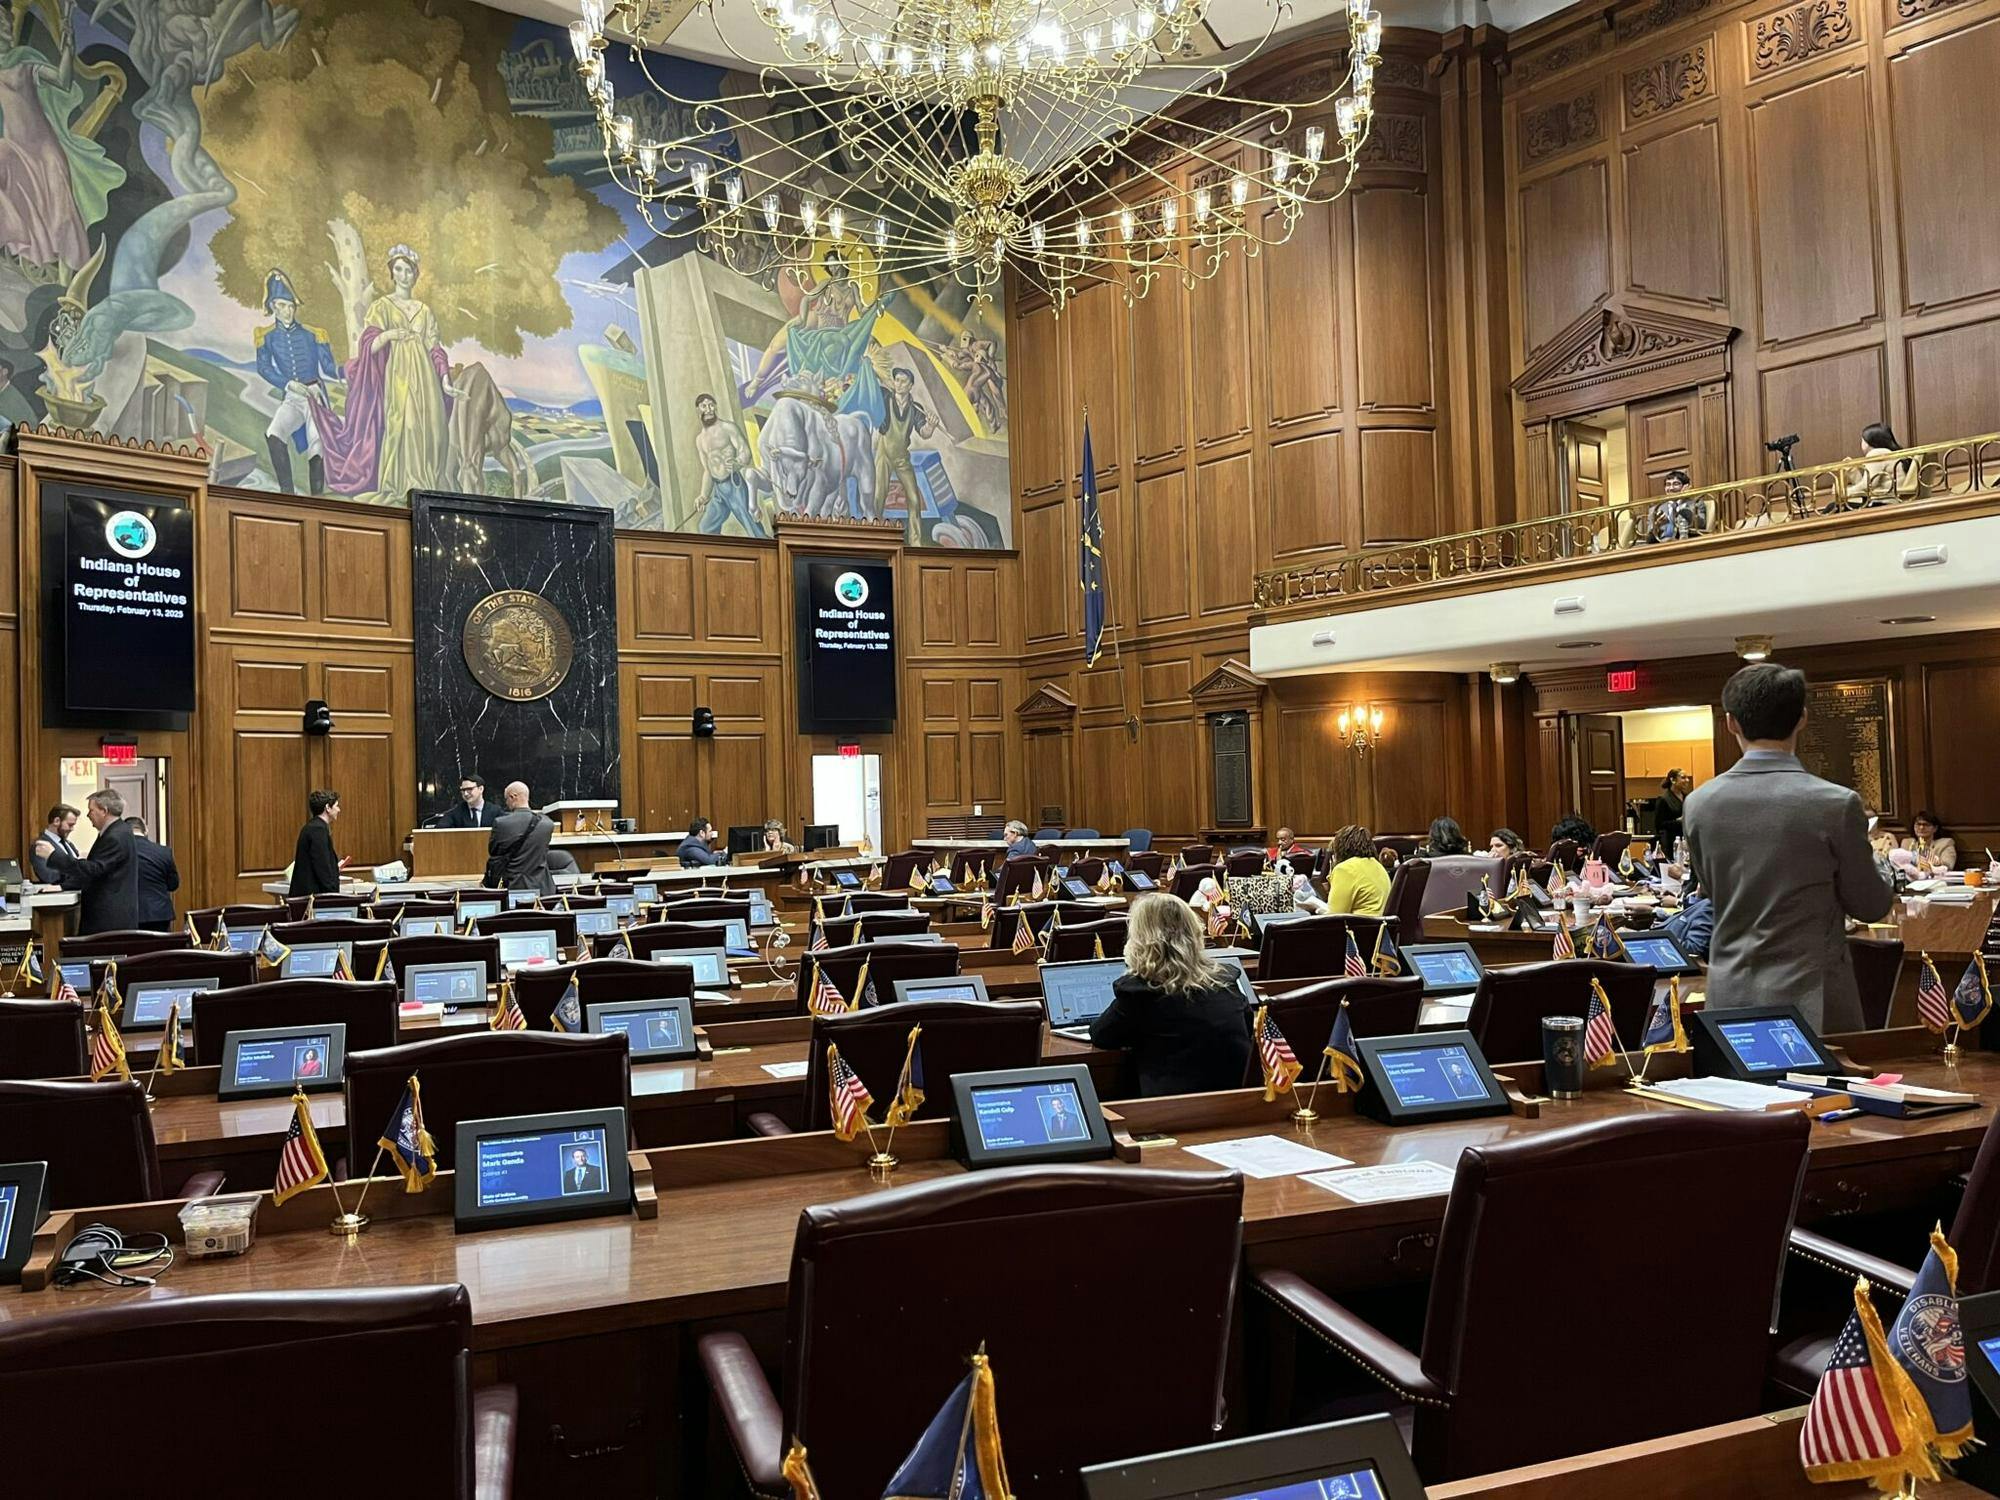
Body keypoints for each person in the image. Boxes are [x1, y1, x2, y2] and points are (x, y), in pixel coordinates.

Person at [1684, 663, 1894, 1031]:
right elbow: (1871, 905)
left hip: (1729, 996)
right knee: (1827, 1090)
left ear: (1731, 722)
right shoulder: (1836, 803)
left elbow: (1712, 890)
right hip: (1815, 1000)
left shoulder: (1699, 803)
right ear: (1802, 719)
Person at [1089, 894, 1254, 1097]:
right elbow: (1248, 1026)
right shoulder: (1226, 982)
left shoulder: (1140, 993)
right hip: (1240, 1105)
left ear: (1140, 940)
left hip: (1171, 1116)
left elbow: (1101, 1035)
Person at [254, 268, 341, 494]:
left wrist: (351, 371)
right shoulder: (267, 336)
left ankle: (316, 500)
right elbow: (263, 367)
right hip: (292, 395)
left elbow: (330, 368)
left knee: (317, 445)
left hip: (314, 394)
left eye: (291, 306)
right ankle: (287, 494)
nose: (289, 310)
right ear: (273, 306)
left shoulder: (313, 334)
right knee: (274, 434)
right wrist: (288, 384)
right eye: (283, 305)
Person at [33, 788, 139, 934]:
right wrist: (64, 886)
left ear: (104, 811)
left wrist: (53, 856)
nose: (88, 815)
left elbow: (94, 870)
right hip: (111, 917)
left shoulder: (114, 836)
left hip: (108, 919)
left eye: (91, 810)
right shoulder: (118, 831)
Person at [486, 783, 557, 895]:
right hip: (543, 888)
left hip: (513, 888)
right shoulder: (548, 824)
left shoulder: (501, 823)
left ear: (513, 797)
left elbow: (494, 852)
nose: (506, 803)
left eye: (506, 799)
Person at [1842, 423, 1917, 508]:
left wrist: (1843, 492)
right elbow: (1870, 485)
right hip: (1894, 500)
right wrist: (1853, 472)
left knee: (1833, 506)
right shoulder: (1889, 453)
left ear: (1869, 441)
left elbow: (1867, 486)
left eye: (1862, 440)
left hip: (1885, 503)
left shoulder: (1877, 453)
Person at [124, 815, 179, 929]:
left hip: (128, 914)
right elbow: (173, 885)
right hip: (159, 913)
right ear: (145, 830)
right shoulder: (164, 852)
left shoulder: (119, 852)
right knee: (161, 947)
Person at [289, 789, 345, 900]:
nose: (339, 810)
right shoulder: (318, 830)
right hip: (313, 898)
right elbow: (321, 866)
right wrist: (334, 895)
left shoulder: (312, 827)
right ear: (328, 808)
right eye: (336, 806)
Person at [1325, 824, 1391, 916]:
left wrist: (1333, 869)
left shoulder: (1345, 869)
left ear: (1341, 849)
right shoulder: (1378, 866)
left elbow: (1333, 916)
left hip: (1357, 928)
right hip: (1379, 928)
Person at [29, 802, 79, 883]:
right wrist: (77, 870)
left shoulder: (69, 844)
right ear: (56, 821)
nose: (72, 829)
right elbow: (49, 876)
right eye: (70, 825)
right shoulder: (40, 846)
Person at [1654, 769, 1693, 847]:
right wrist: (1678, 821)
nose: (1687, 780)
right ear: (1673, 780)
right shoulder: (1664, 799)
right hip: (1671, 842)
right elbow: (1659, 825)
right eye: (1683, 777)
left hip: (1686, 840)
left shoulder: (1688, 797)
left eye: (1687, 777)